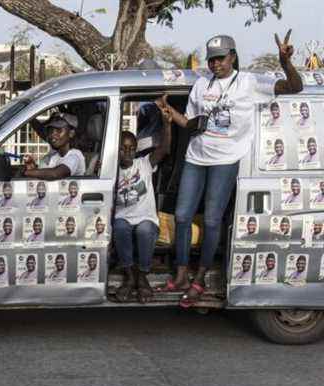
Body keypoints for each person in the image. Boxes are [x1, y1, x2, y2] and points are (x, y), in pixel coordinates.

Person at [156, 32, 302, 308]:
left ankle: (200, 279)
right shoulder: (202, 85)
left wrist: (286, 62)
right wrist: (169, 114)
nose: (215, 64)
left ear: (233, 56)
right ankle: (182, 273)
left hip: (226, 159)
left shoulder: (250, 82)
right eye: (211, 59)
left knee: (212, 220)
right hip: (196, 157)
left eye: (220, 59)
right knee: (183, 215)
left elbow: (294, 87)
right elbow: (190, 123)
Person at [114, 100, 172, 303]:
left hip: (145, 218)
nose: (127, 152)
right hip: (123, 217)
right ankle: (130, 277)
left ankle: (142, 275)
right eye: (122, 148)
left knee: (144, 230)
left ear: (136, 149)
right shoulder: (112, 171)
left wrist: (166, 124)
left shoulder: (144, 163)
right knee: (120, 228)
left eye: (131, 148)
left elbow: (164, 148)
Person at [20, 112, 86, 179]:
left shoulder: (75, 156)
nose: (52, 134)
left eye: (59, 130)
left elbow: (55, 174)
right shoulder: (55, 156)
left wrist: (26, 172)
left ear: (71, 133)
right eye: (51, 130)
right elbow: (46, 173)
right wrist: (33, 168)